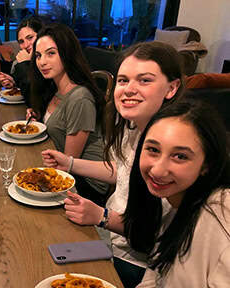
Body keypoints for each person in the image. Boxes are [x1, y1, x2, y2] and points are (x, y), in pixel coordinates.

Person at [41, 41, 185, 287]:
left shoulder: (171, 149)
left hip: (140, 263)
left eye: (145, 80)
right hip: (109, 238)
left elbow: (152, 235)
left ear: (171, 88)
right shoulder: (132, 126)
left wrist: (101, 216)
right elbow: (121, 170)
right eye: (123, 80)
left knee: (43, 264)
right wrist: (70, 163)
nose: (129, 89)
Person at [127, 101, 230, 287]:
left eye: (180, 156)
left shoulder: (221, 211)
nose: (158, 170)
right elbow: (154, 279)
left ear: (207, 165)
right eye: (153, 150)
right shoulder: (175, 203)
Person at [30, 23, 108, 205]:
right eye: (38, 56)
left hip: (86, 183)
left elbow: (69, 161)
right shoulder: (55, 88)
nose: (42, 62)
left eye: (51, 53)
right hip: (62, 167)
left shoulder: (80, 97)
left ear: (67, 53)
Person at [0, 16, 43, 106]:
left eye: (30, 38)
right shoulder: (22, 62)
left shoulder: (47, 63)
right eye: (21, 41)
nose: (26, 45)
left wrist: (24, 64)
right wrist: (14, 82)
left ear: (41, 35)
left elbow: (35, 99)